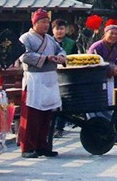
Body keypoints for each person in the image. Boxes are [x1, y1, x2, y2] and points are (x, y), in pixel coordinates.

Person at [18, 9, 66, 158]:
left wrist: (60, 57)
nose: (46, 25)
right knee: (31, 115)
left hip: (49, 78)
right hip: (34, 79)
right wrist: (45, 58)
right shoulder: (25, 38)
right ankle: (27, 147)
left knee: (47, 114)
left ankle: (42, 145)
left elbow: (61, 49)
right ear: (35, 23)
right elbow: (23, 55)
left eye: (47, 22)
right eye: (43, 22)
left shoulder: (50, 39)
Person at [51, 19, 78, 139]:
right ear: (53, 30)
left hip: (66, 75)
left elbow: (76, 60)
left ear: (65, 30)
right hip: (50, 74)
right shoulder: (48, 41)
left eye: (62, 29)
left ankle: (59, 127)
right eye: (57, 29)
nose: (59, 31)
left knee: (63, 102)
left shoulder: (71, 43)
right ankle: (49, 126)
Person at [87, 24, 117, 105]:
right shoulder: (96, 47)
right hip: (96, 79)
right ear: (105, 34)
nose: (114, 36)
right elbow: (92, 63)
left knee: (110, 101)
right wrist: (108, 70)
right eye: (111, 33)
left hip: (111, 78)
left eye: (116, 34)